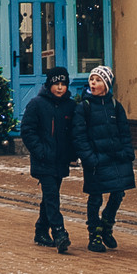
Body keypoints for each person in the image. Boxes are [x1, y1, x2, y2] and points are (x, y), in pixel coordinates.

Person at [76, 65, 135, 254]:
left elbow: (124, 132)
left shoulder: (116, 106)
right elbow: (79, 136)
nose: (93, 83)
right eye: (92, 79)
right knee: (95, 197)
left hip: (117, 158)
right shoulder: (84, 107)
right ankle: (95, 234)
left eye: (98, 80)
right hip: (96, 160)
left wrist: (127, 153)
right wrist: (89, 158)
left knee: (118, 193)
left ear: (107, 84)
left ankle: (107, 225)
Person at [19, 66, 79, 254]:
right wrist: (40, 151)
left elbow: (74, 133)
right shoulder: (37, 104)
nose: (60, 88)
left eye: (63, 84)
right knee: (52, 197)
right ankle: (59, 232)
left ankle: (41, 230)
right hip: (43, 160)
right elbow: (27, 130)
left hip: (60, 160)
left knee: (49, 197)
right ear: (49, 84)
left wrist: (72, 154)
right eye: (56, 84)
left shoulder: (70, 106)